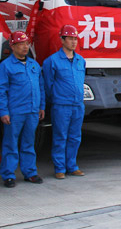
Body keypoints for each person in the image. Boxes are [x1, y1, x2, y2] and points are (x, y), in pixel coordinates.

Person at [0, 32, 45, 188]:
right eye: (21, 44)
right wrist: (3, 111)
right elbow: (1, 90)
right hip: (15, 111)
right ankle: (8, 175)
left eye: (26, 44)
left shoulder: (34, 65)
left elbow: (41, 87)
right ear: (12, 47)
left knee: (29, 142)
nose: (25, 47)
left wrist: (41, 106)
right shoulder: (6, 66)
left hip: (32, 111)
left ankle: (30, 172)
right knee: (10, 143)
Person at [42, 25, 86, 179]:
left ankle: (72, 166)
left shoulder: (80, 61)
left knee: (75, 136)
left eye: (75, 39)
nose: (73, 42)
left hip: (77, 105)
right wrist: (57, 98)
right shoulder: (52, 61)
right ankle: (59, 168)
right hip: (61, 105)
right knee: (60, 136)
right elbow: (48, 85)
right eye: (70, 39)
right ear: (62, 40)